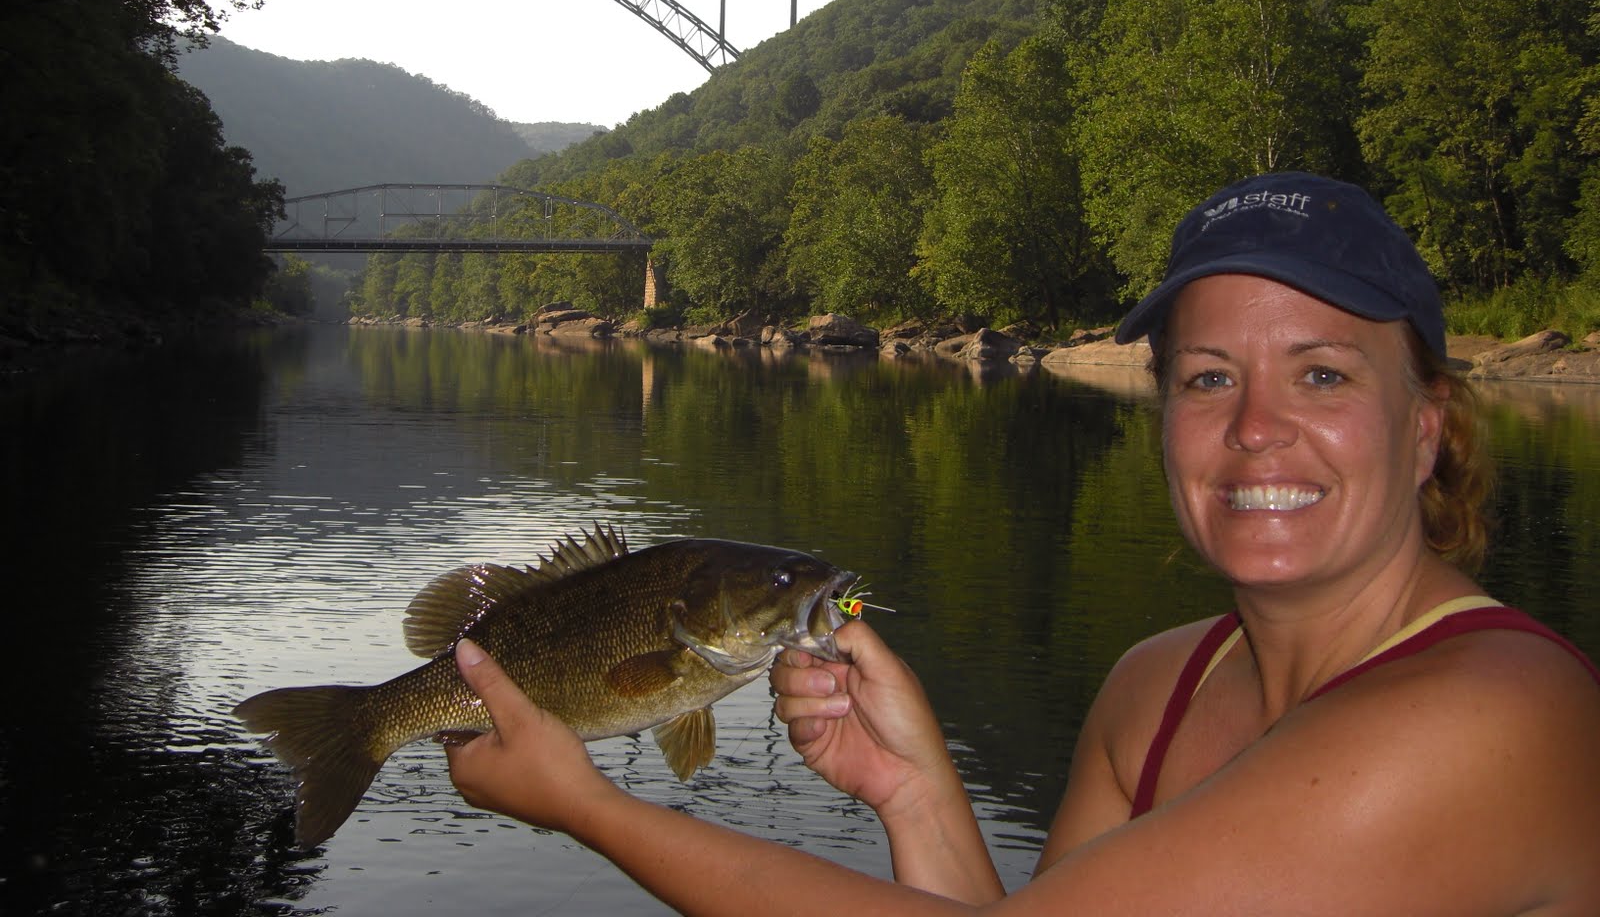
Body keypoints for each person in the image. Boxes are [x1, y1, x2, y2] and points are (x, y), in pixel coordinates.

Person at [445, 171, 1600, 915]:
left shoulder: (1499, 716)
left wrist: (591, 807)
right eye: (1207, 378)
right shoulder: (1154, 688)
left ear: (1428, 428)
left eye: (1322, 373)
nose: (1254, 427)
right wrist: (915, 793)